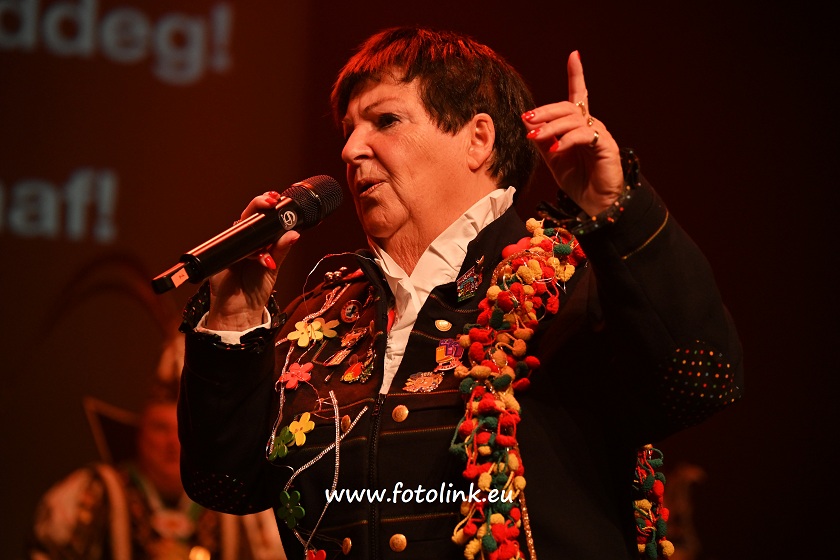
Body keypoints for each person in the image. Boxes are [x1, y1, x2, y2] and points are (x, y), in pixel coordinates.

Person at [176, 26, 743, 559]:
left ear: (477, 139)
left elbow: (704, 379)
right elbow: (224, 483)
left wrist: (617, 209)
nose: (351, 150)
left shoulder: (573, 283)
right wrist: (235, 317)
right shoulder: (323, 316)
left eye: (385, 120)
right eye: (348, 130)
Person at [28, 335, 286, 560]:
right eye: (160, 428)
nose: (172, 443)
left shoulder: (238, 504)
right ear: (140, 434)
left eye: (180, 429)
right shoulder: (94, 494)